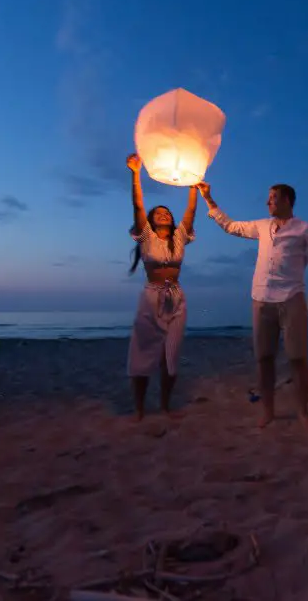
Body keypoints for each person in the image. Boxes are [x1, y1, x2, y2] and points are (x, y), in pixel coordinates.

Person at [196, 181, 308, 428]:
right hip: (261, 300)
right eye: (268, 198)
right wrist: (209, 199)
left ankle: (302, 411)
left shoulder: (307, 230)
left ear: (287, 200)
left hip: (292, 299)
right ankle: (268, 411)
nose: (267, 202)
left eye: (273, 198)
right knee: (264, 358)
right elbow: (231, 226)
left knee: (298, 358)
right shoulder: (262, 225)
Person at [126, 153, 198, 421]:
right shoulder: (146, 237)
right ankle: (140, 409)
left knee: (171, 354)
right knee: (143, 352)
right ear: (152, 220)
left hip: (177, 298)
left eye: (167, 212)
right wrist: (135, 173)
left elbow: (190, 214)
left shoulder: (179, 237)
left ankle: (166, 406)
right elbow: (137, 205)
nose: (164, 214)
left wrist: (194, 187)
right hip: (151, 297)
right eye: (159, 213)